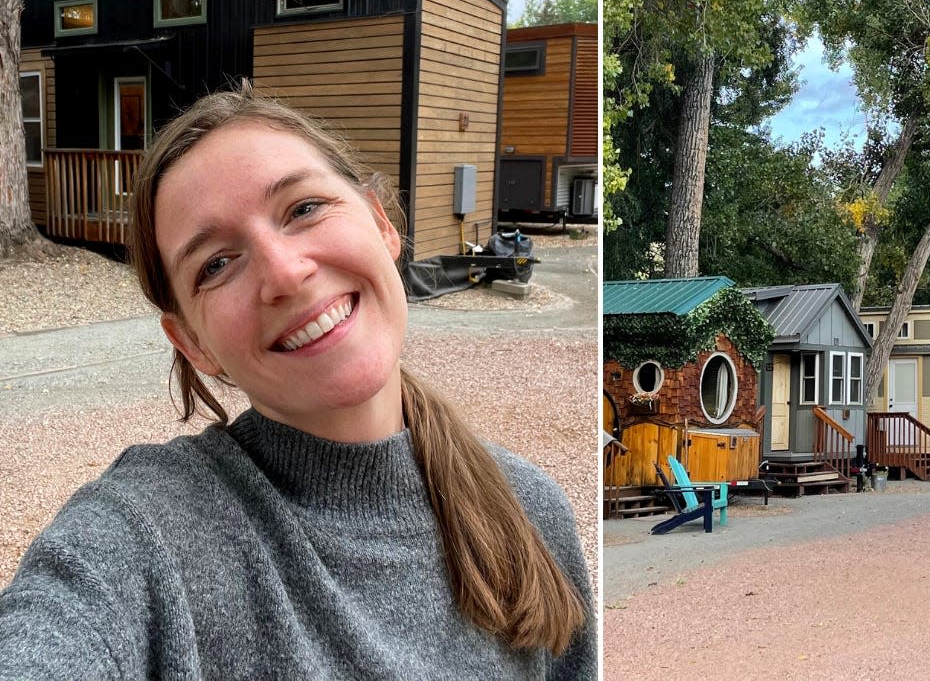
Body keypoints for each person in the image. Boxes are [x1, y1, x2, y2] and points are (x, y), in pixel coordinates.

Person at [0, 86, 596, 679]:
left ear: (381, 223)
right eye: (216, 264)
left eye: (304, 208)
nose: (284, 273)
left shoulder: (530, 512)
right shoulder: (141, 535)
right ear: (194, 344)